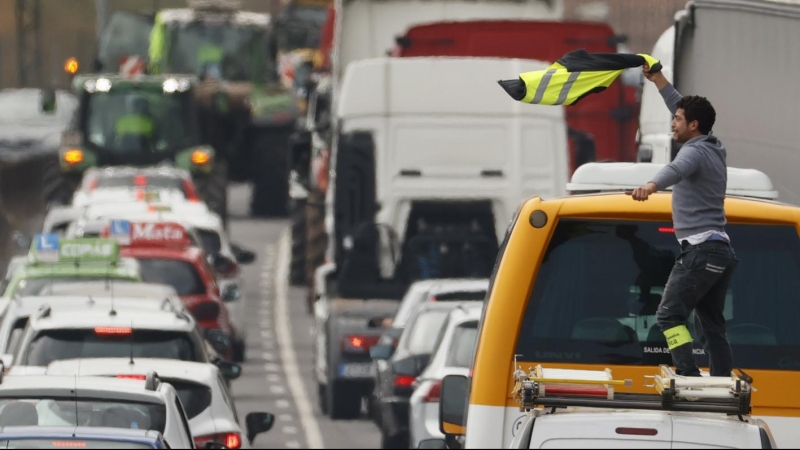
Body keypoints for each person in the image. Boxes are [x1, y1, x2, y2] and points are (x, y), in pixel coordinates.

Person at [626, 63, 739, 377]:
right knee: (713, 324)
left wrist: (650, 186)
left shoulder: (693, 152)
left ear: (694, 125)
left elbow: (674, 170)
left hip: (700, 252)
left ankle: (687, 374)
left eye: (677, 120)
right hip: (721, 252)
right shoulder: (713, 146)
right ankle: (721, 380)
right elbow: (679, 104)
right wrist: (659, 80)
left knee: (668, 317)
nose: (671, 124)